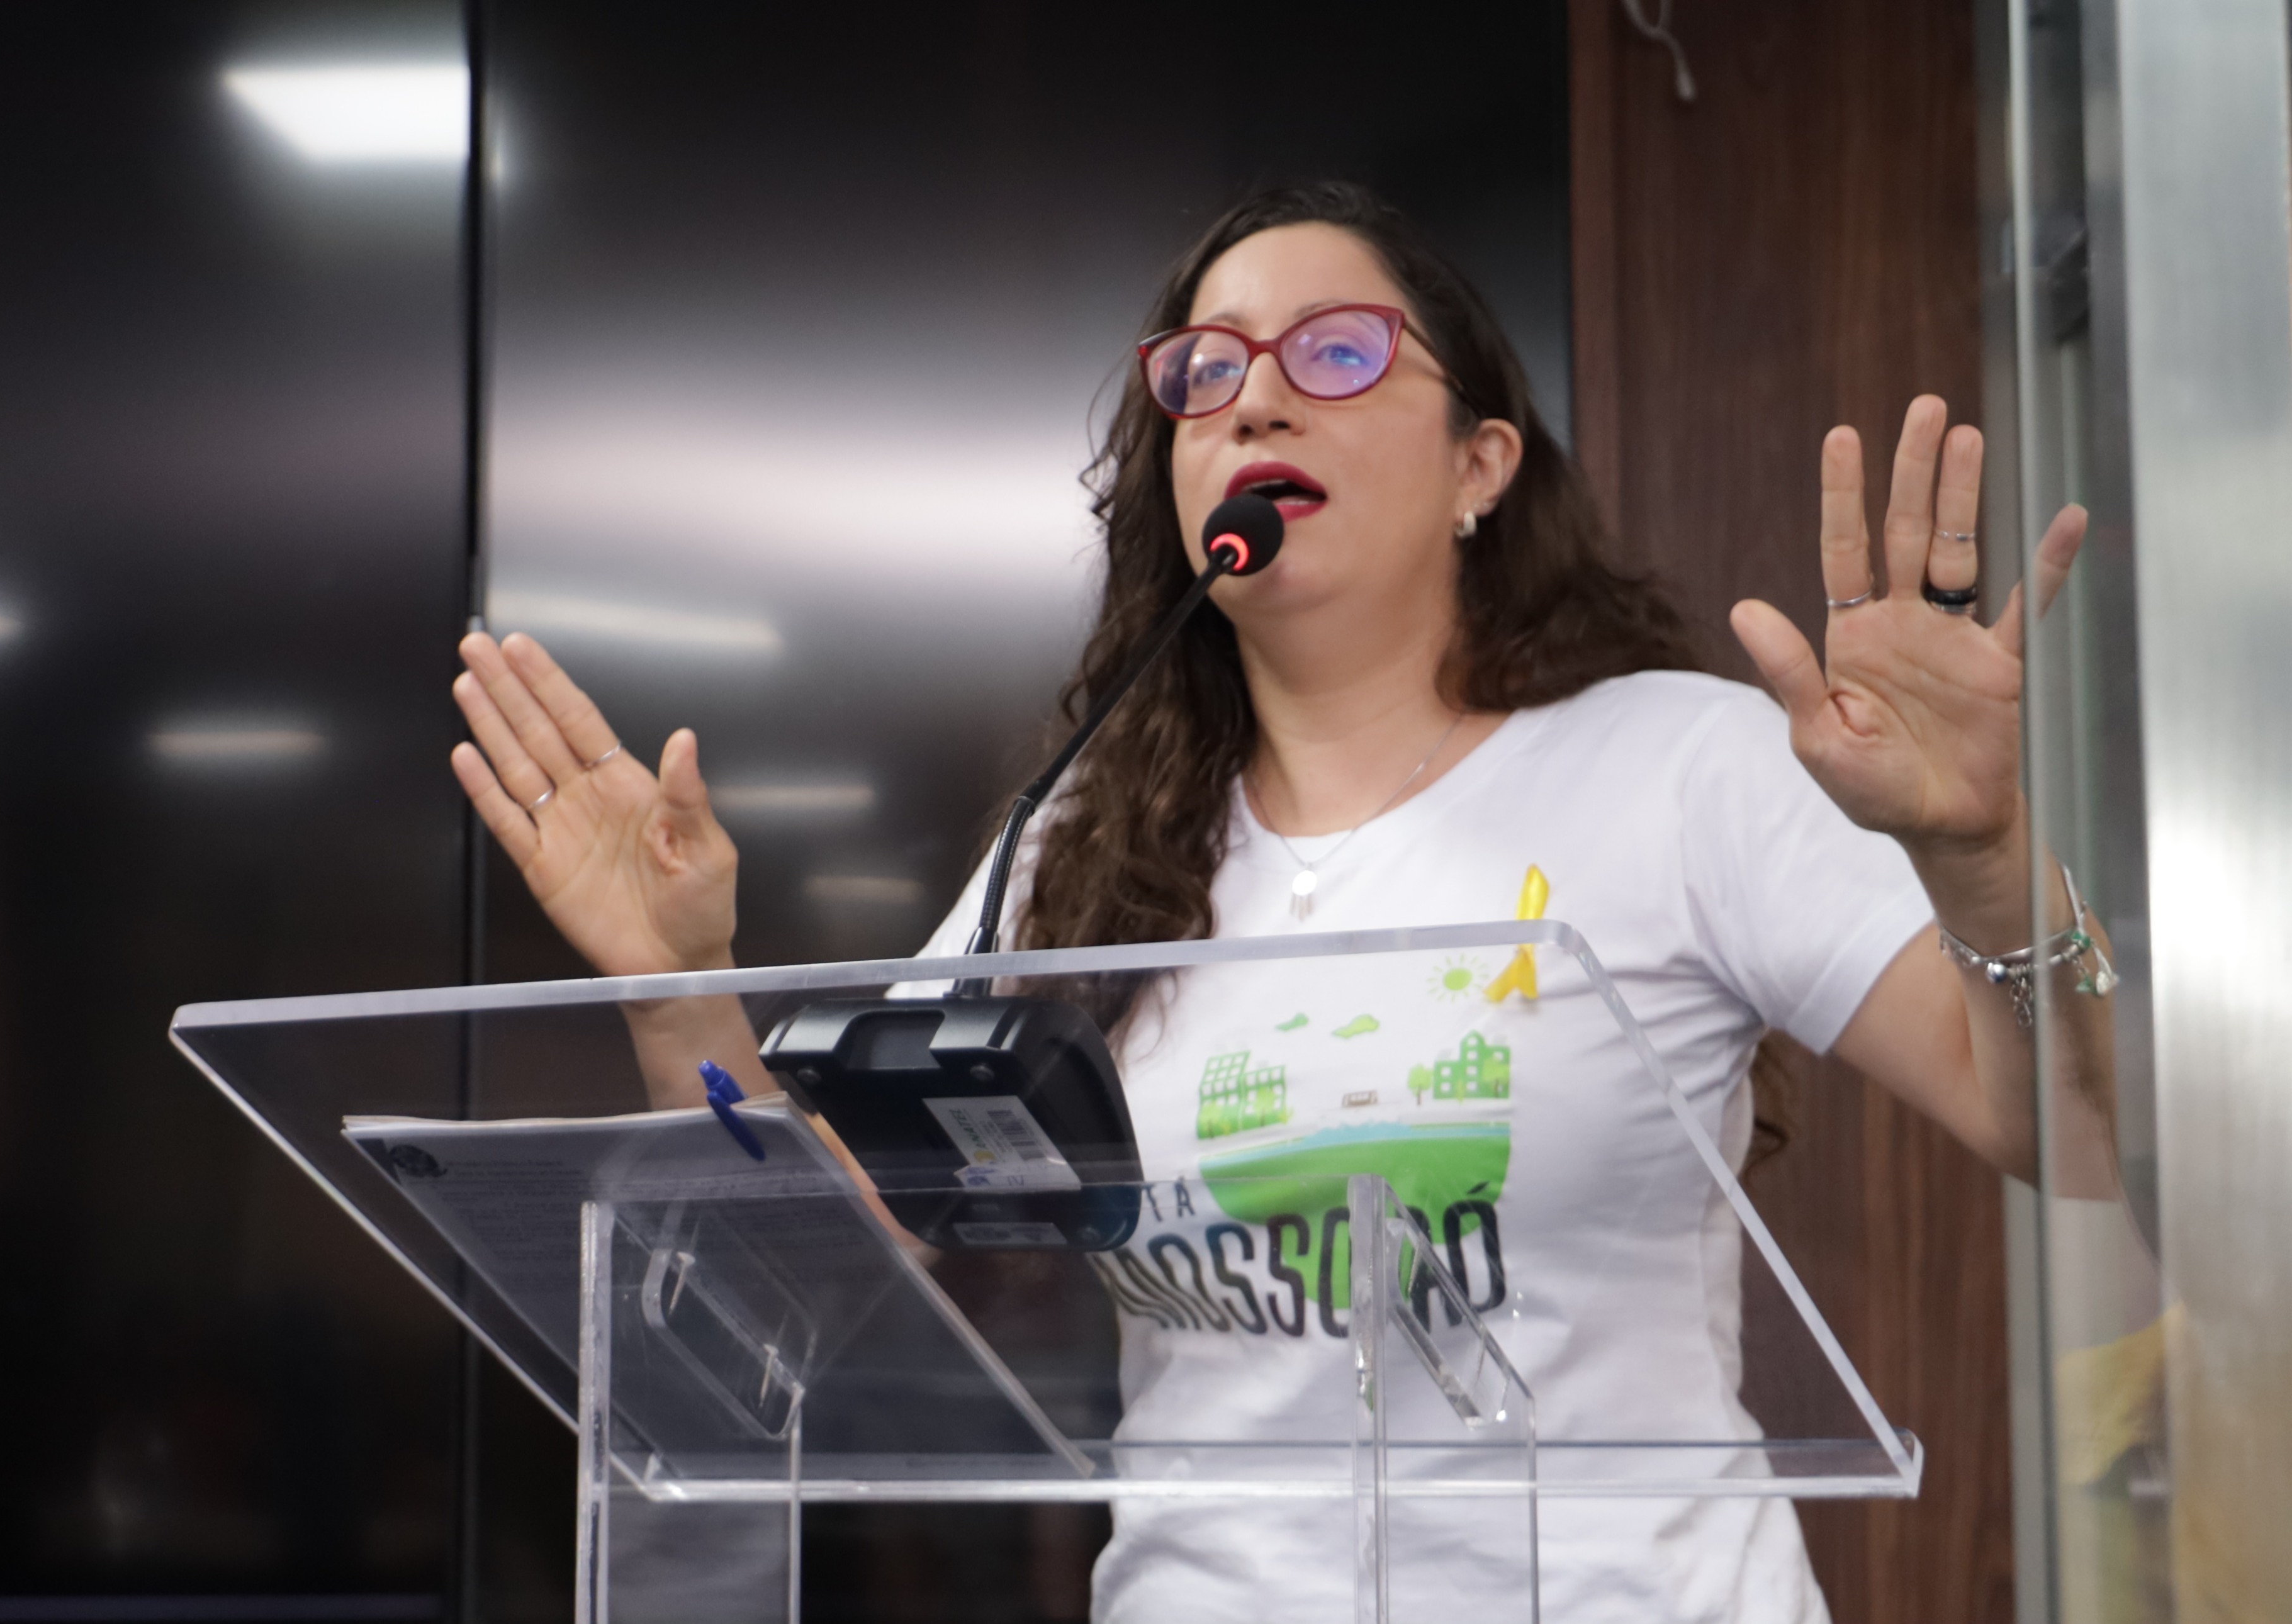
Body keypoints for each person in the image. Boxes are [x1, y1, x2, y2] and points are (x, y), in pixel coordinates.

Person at [446, 182, 2107, 1623]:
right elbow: (795, 1266)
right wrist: (677, 989)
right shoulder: (1082, 843)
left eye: (1337, 354)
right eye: (1207, 372)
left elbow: (2079, 1135)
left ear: (1480, 463)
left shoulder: (1681, 766)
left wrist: (1979, 851)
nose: (1256, 403)